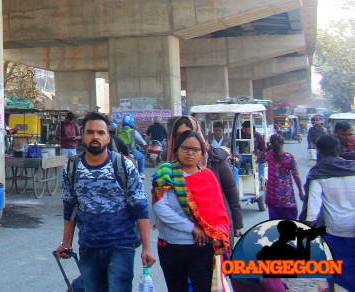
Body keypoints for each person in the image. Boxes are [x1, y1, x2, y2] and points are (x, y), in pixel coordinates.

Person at [57, 111, 154, 291]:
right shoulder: (71, 168)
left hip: (121, 246)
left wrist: (146, 248)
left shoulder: (124, 166)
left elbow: (140, 208)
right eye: (90, 132)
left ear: (108, 138)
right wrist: (66, 243)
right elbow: (70, 208)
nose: (95, 137)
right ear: (82, 136)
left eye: (100, 133)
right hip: (89, 246)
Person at [152, 129, 229, 292]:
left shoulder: (208, 176)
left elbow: (218, 211)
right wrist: (192, 227)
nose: (190, 153)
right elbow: (160, 206)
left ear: (202, 153)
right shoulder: (166, 174)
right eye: (185, 148)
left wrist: (216, 235)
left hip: (201, 248)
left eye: (195, 150)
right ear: (176, 150)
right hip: (171, 247)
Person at [166, 116, 243, 237]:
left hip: (214, 230)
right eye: (178, 135)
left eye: (187, 133)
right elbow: (161, 203)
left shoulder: (214, 158)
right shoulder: (167, 167)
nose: (183, 139)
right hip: (180, 236)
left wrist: (237, 223)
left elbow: (230, 191)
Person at [302, 135, 355, 292]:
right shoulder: (352, 168)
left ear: (318, 152)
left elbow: (312, 213)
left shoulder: (318, 173)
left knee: (336, 270)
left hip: (336, 231)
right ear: (338, 150)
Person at [264, 134, 303, 220]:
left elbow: (258, 159)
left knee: (275, 225)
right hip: (287, 196)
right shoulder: (289, 157)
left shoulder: (268, 155)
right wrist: (301, 191)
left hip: (273, 197)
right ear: (283, 144)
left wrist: (268, 148)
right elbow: (296, 175)